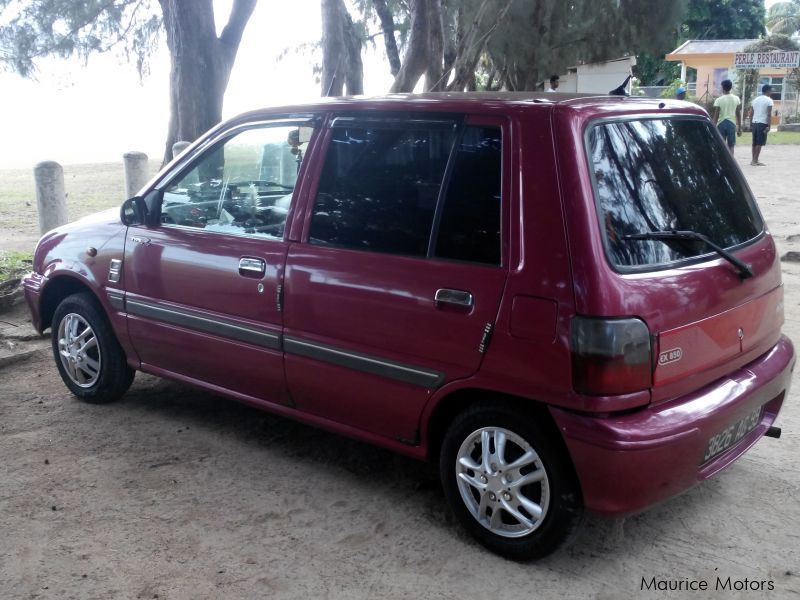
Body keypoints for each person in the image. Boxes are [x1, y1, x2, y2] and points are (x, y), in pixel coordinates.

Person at [711, 79, 741, 155]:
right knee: (731, 146)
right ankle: (731, 163)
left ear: (722, 87)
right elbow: (738, 114)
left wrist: (713, 127)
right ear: (731, 87)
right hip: (731, 124)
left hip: (721, 124)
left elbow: (716, 115)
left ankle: (723, 162)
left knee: (721, 145)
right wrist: (739, 127)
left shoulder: (718, 100)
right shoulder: (736, 98)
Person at [749, 84, 774, 166]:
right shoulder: (769, 100)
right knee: (760, 142)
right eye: (770, 90)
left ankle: (754, 159)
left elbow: (751, 113)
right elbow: (769, 114)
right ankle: (755, 160)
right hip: (762, 123)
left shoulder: (755, 100)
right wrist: (769, 126)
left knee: (754, 142)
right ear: (767, 91)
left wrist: (751, 124)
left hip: (754, 122)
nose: (771, 92)